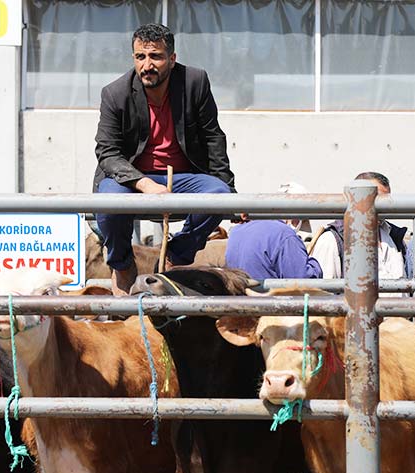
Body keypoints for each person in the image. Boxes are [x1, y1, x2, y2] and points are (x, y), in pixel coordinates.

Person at [94, 23, 234, 295]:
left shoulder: (195, 82)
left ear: (172, 58)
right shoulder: (114, 93)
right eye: (140, 57)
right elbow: (107, 152)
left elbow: (213, 137)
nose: (147, 65)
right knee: (107, 201)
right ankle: (122, 264)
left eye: (155, 56)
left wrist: (232, 194)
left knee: (220, 193)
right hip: (130, 178)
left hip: (183, 177)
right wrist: (145, 184)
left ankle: (176, 254)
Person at [309, 172, 408, 280]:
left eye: (386, 200)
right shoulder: (331, 240)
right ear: (356, 197)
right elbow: (325, 292)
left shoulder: (394, 235)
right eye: (377, 199)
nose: (383, 206)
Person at [225, 183, 322, 281]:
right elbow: (304, 281)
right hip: (268, 296)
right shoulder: (285, 236)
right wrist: (314, 263)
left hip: (240, 295)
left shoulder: (236, 232)